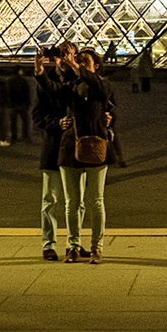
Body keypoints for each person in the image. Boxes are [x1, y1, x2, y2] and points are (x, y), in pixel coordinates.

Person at [59, 49, 115, 263]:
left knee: (96, 201)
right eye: (78, 60)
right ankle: (72, 245)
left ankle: (96, 247)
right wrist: (48, 69)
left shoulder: (103, 85)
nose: (79, 63)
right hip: (70, 148)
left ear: (97, 66)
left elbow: (108, 99)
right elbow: (50, 92)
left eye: (85, 61)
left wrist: (76, 68)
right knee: (72, 202)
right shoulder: (71, 85)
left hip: (95, 146)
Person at [34, 50, 72, 261]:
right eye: (59, 56)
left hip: (75, 149)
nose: (62, 60)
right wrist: (55, 123)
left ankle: (73, 243)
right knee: (50, 199)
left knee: (75, 202)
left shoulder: (81, 81)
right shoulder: (45, 83)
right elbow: (37, 115)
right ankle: (48, 244)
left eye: (68, 56)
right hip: (53, 148)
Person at [6, 66, 33, 144]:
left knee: (13, 122)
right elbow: (26, 93)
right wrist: (28, 103)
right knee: (25, 122)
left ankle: (14, 137)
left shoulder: (10, 81)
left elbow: (8, 93)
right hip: (22, 104)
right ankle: (25, 137)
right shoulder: (23, 81)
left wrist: (9, 103)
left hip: (13, 104)